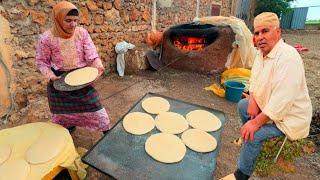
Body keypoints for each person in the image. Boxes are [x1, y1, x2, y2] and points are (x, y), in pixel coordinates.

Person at [221, 12, 312, 180]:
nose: (260, 37)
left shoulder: (288, 57)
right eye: (257, 33)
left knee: (254, 134)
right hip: (271, 107)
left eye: (265, 31)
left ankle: (242, 174)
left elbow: (282, 102)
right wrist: (253, 100)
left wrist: (255, 123)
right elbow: (255, 78)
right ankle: (251, 140)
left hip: (289, 117)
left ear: (278, 32)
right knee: (243, 105)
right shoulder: (261, 54)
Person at [35, 1, 110, 133]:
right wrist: (51, 76)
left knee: (98, 112)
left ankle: (107, 133)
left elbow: (91, 55)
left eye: (75, 20)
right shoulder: (46, 38)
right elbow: (42, 62)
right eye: (68, 20)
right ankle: (68, 130)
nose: (73, 24)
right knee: (63, 116)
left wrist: (97, 65)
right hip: (59, 83)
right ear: (58, 19)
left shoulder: (82, 33)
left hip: (82, 81)